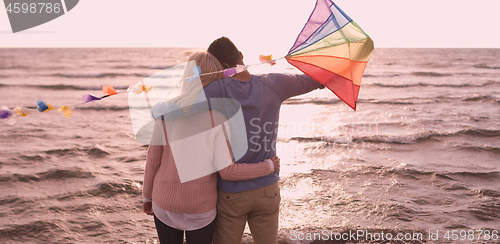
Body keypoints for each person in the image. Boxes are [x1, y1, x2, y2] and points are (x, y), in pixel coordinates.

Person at [142, 52, 281, 244]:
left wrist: (147, 197)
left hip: (164, 203)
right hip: (200, 208)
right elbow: (228, 171)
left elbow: (152, 161)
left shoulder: (166, 111)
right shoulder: (218, 117)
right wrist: (268, 166)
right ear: (217, 77)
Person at [205, 37, 325, 244]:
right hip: (267, 190)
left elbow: (180, 106)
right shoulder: (274, 83)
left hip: (231, 194)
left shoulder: (216, 90)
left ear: (222, 67)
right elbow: (317, 80)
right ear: (241, 55)